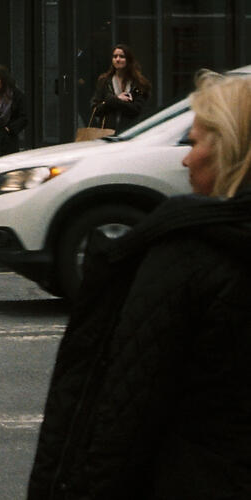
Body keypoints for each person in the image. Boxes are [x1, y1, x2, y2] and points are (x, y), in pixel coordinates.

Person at [28, 69, 251, 499]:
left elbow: (123, 412)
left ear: (231, 152)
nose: (185, 159)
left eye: (194, 142)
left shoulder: (184, 257)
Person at [88, 43, 151, 133]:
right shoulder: (104, 81)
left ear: (128, 60)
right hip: (107, 133)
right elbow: (96, 109)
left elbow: (136, 110)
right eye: (115, 56)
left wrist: (112, 101)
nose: (117, 59)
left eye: (121, 56)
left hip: (130, 132)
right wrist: (117, 99)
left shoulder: (138, 83)